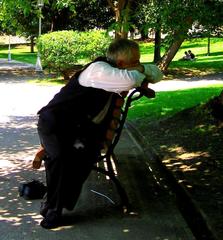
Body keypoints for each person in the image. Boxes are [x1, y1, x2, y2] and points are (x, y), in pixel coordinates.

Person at [37, 38, 163, 229]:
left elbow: (157, 73)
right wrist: (139, 72)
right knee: (62, 157)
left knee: (83, 154)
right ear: (121, 63)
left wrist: (142, 69)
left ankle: (55, 202)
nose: (139, 64)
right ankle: (54, 208)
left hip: (78, 133)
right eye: (136, 61)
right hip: (54, 125)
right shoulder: (98, 70)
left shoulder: (120, 71)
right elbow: (130, 79)